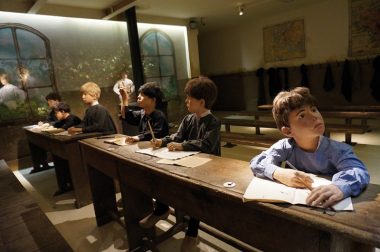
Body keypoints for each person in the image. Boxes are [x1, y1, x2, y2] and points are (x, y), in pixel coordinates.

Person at [250, 87, 370, 209]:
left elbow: (359, 171)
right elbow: (257, 162)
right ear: (288, 131)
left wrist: (339, 187)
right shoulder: (286, 146)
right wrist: (278, 172)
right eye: (302, 115)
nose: (315, 116)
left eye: (313, 109)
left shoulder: (338, 150)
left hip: (328, 206)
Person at [142, 76, 220, 252]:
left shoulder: (213, 122)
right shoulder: (188, 119)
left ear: (201, 102)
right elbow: (177, 137)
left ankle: (192, 232)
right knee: (161, 175)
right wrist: (161, 141)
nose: (186, 101)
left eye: (189, 98)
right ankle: (161, 208)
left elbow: (206, 145)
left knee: (194, 195)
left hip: (206, 167)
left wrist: (181, 145)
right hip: (186, 163)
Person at [28, 92, 61, 174]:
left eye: (50, 101)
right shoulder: (53, 111)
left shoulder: (62, 108)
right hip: (51, 132)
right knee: (33, 141)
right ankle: (40, 165)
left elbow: (61, 121)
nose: (48, 103)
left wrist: (48, 124)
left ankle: (43, 164)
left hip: (59, 132)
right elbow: (48, 119)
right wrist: (43, 123)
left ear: (56, 100)